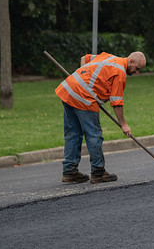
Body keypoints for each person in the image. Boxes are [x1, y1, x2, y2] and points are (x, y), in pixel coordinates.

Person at [55, 51, 147, 184]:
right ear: (131, 61)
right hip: (83, 97)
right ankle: (98, 172)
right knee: (94, 135)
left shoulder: (109, 57)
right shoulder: (119, 73)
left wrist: (81, 79)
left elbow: (84, 59)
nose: (137, 72)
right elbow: (116, 102)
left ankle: (70, 172)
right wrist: (124, 124)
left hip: (69, 90)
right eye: (137, 69)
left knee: (73, 133)